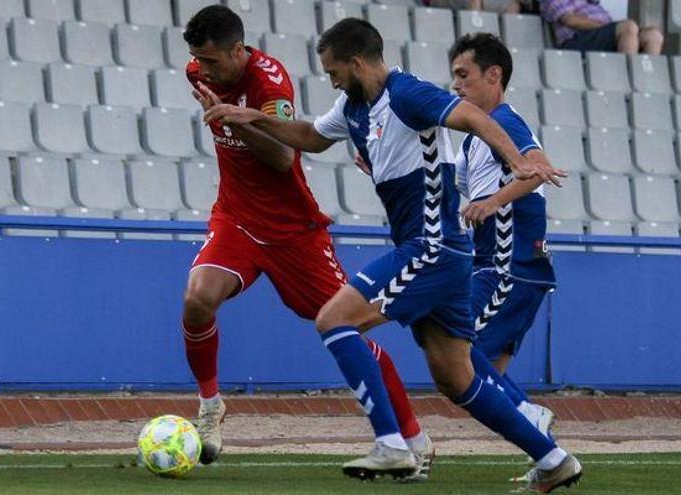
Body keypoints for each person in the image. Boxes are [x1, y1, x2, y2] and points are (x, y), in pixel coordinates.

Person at [203, 18, 582, 492]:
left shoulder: (408, 94)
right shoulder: (354, 105)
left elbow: (474, 117)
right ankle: (553, 458)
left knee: (334, 320)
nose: (332, 81)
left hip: (433, 248)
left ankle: (392, 444)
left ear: (358, 62)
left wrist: (520, 161)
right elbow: (314, 138)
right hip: (440, 253)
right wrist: (253, 118)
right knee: (455, 377)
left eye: (334, 71)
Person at [179, 6, 435, 479]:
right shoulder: (197, 70)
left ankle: (411, 434)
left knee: (345, 327)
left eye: (212, 61)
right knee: (198, 298)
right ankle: (211, 406)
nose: (203, 69)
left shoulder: (270, 83)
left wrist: (237, 120)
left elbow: (281, 158)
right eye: (199, 60)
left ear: (239, 50)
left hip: (294, 231)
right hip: (236, 218)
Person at [449, 31, 558, 450]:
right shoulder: (474, 136)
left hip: (508, 267)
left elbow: (539, 167)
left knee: (455, 347)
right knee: (476, 373)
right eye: (454, 76)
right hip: (493, 265)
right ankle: (544, 453)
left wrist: (493, 201)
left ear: (493, 75)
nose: (456, 85)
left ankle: (529, 415)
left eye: (464, 74)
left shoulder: (506, 123)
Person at [540, 0, 663, 55]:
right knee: (628, 27)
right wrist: (605, 27)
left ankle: (645, 80)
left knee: (653, 35)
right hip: (578, 42)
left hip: (601, 38)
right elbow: (570, 20)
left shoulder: (590, 2)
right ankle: (629, 76)